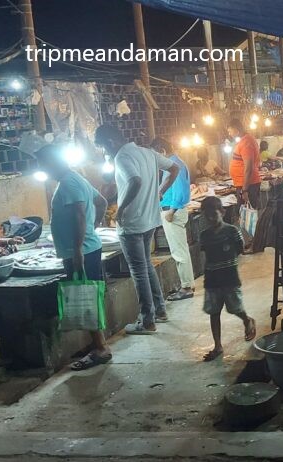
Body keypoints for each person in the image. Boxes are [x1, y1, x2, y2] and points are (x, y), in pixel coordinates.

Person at [95, 124, 179, 335]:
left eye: (104, 148)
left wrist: (120, 210)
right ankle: (160, 310)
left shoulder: (122, 157)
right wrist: (159, 192)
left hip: (132, 222)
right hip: (149, 219)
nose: (105, 153)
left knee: (138, 270)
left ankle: (147, 320)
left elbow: (135, 180)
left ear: (111, 142)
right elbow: (174, 168)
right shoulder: (147, 152)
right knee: (146, 266)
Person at [33, 144, 111, 370]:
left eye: (43, 166)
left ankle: (100, 348)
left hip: (81, 251)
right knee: (88, 295)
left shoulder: (69, 183)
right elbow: (102, 202)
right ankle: (96, 343)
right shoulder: (76, 179)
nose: (43, 171)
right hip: (84, 248)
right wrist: (93, 226)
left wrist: (77, 248)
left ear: (52, 163)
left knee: (86, 297)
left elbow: (79, 213)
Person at [198, 196, 257, 361]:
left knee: (235, 308)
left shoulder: (232, 231)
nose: (210, 219)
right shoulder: (204, 235)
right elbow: (206, 254)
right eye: (207, 216)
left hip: (230, 278)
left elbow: (240, 249)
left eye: (214, 215)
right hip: (211, 280)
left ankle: (247, 320)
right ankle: (217, 345)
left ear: (222, 212)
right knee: (214, 312)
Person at [151, 138, 195, 301]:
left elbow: (181, 190)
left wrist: (172, 210)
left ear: (161, 150)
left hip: (172, 211)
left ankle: (186, 288)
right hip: (172, 210)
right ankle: (187, 284)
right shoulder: (176, 163)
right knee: (180, 249)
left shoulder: (174, 165)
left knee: (179, 251)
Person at [226, 119, 263, 209]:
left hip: (248, 185)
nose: (229, 134)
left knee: (249, 215)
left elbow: (248, 167)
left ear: (236, 129)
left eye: (230, 131)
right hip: (244, 184)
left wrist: (245, 190)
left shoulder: (246, 142)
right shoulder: (244, 140)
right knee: (245, 213)